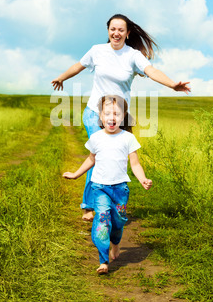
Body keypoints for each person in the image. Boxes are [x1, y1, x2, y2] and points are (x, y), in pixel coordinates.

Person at [52, 14, 190, 221]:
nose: (116, 33)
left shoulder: (133, 56)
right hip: (95, 113)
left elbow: (151, 71)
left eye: (121, 30)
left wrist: (172, 84)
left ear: (128, 33)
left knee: (117, 155)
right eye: (112, 29)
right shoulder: (97, 51)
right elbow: (78, 66)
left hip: (120, 116)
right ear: (108, 31)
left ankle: (112, 199)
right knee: (99, 154)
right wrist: (62, 77)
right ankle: (89, 205)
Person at [63, 95, 152, 274]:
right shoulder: (96, 138)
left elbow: (135, 164)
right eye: (107, 113)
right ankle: (103, 261)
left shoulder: (128, 138)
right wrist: (75, 174)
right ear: (101, 117)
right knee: (102, 221)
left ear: (123, 117)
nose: (112, 117)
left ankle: (116, 244)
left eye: (116, 114)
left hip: (120, 190)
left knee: (118, 223)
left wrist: (142, 179)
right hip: (100, 188)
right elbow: (90, 160)